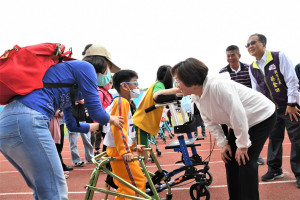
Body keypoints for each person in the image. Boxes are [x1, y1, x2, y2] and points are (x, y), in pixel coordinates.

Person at [0, 48, 124, 199]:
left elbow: (73, 125)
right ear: (103, 63)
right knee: (55, 192)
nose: (108, 75)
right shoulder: (86, 67)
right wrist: (112, 119)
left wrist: (99, 126)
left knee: (44, 191)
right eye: (109, 70)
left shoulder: (69, 85)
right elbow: (96, 111)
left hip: (9, 122)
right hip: (28, 118)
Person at [171, 57, 277, 200]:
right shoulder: (196, 95)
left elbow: (237, 114)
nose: (177, 85)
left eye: (178, 80)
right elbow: (209, 121)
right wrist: (224, 143)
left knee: (244, 161)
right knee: (230, 159)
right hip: (238, 122)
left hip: (260, 116)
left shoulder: (218, 86)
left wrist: (243, 145)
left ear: (190, 79)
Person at [246, 33, 300, 188]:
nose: (249, 46)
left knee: (297, 140)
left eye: (253, 42)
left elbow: (292, 81)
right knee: (274, 139)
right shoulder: (253, 67)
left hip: (290, 107)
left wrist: (291, 103)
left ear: (263, 43)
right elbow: (257, 92)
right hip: (271, 110)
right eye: (247, 44)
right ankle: (275, 169)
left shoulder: (278, 57)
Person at [103, 69, 146, 199]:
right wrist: (125, 151)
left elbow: (127, 129)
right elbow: (118, 128)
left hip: (119, 149)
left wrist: (132, 147)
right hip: (119, 151)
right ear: (124, 85)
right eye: (135, 83)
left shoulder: (123, 102)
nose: (137, 87)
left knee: (126, 187)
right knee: (136, 185)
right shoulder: (121, 102)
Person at [219, 45, 265, 165]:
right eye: (228, 56)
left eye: (233, 55)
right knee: (233, 130)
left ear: (239, 55)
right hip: (231, 107)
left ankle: (255, 154)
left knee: (251, 130)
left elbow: (255, 86)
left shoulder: (249, 68)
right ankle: (232, 151)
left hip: (248, 105)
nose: (230, 58)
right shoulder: (223, 72)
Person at [132, 65, 180, 162]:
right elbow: (157, 95)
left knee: (143, 155)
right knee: (142, 157)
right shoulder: (159, 85)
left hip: (143, 124)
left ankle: (139, 174)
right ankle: (137, 176)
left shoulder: (158, 85)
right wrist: (179, 90)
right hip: (141, 124)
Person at [68, 99, 94, 167]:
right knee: (73, 142)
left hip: (83, 119)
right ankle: (76, 160)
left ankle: (90, 158)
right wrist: (76, 101)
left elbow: (85, 102)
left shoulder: (82, 93)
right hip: (72, 120)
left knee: (87, 140)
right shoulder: (69, 95)